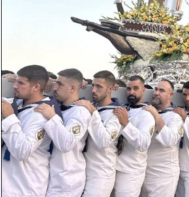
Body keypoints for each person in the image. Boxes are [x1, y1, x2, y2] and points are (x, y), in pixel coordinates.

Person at [1, 65, 60, 197]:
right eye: (16, 81)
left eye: (21, 83)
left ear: (36, 87)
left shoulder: (42, 113)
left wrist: (10, 118)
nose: (15, 86)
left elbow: (23, 151)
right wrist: (3, 78)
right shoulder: (16, 104)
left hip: (26, 187)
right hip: (8, 184)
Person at [34, 68, 91, 197]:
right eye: (55, 83)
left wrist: (52, 117)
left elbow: (67, 143)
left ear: (72, 88)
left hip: (66, 181)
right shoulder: (58, 107)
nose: (55, 88)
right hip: (50, 177)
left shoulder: (80, 112)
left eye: (60, 84)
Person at [77, 70, 122, 197]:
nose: (94, 90)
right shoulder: (92, 106)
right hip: (83, 170)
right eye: (93, 86)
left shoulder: (116, 113)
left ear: (110, 89)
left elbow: (104, 141)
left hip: (102, 174)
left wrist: (93, 112)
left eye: (99, 87)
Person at [113, 75, 155, 197]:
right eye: (128, 89)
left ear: (143, 90)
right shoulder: (123, 108)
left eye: (135, 88)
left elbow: (143, 143)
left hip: (131, 171)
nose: (131, 92)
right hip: (113, 167)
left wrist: (126, 124)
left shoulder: (147, 114)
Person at [141, 79, 183, 197]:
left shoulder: (175, 117)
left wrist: (155, 115)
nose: (156, 93)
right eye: (156, 89)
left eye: (162, 90)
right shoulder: (147, 111)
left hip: (164, 175)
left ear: (171, 95)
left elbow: (169, 141)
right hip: (146, 172)